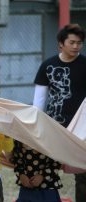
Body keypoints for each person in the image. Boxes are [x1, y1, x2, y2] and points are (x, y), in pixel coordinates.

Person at [33, 23, 86, 202]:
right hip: (54, 127)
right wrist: (36, 124)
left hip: (82, 130)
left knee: (83, 173)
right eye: (72, 42)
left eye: (79, 43)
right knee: (46, 171)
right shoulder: (48, 66)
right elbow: (39, 100)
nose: (76, 46)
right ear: (61, 44)